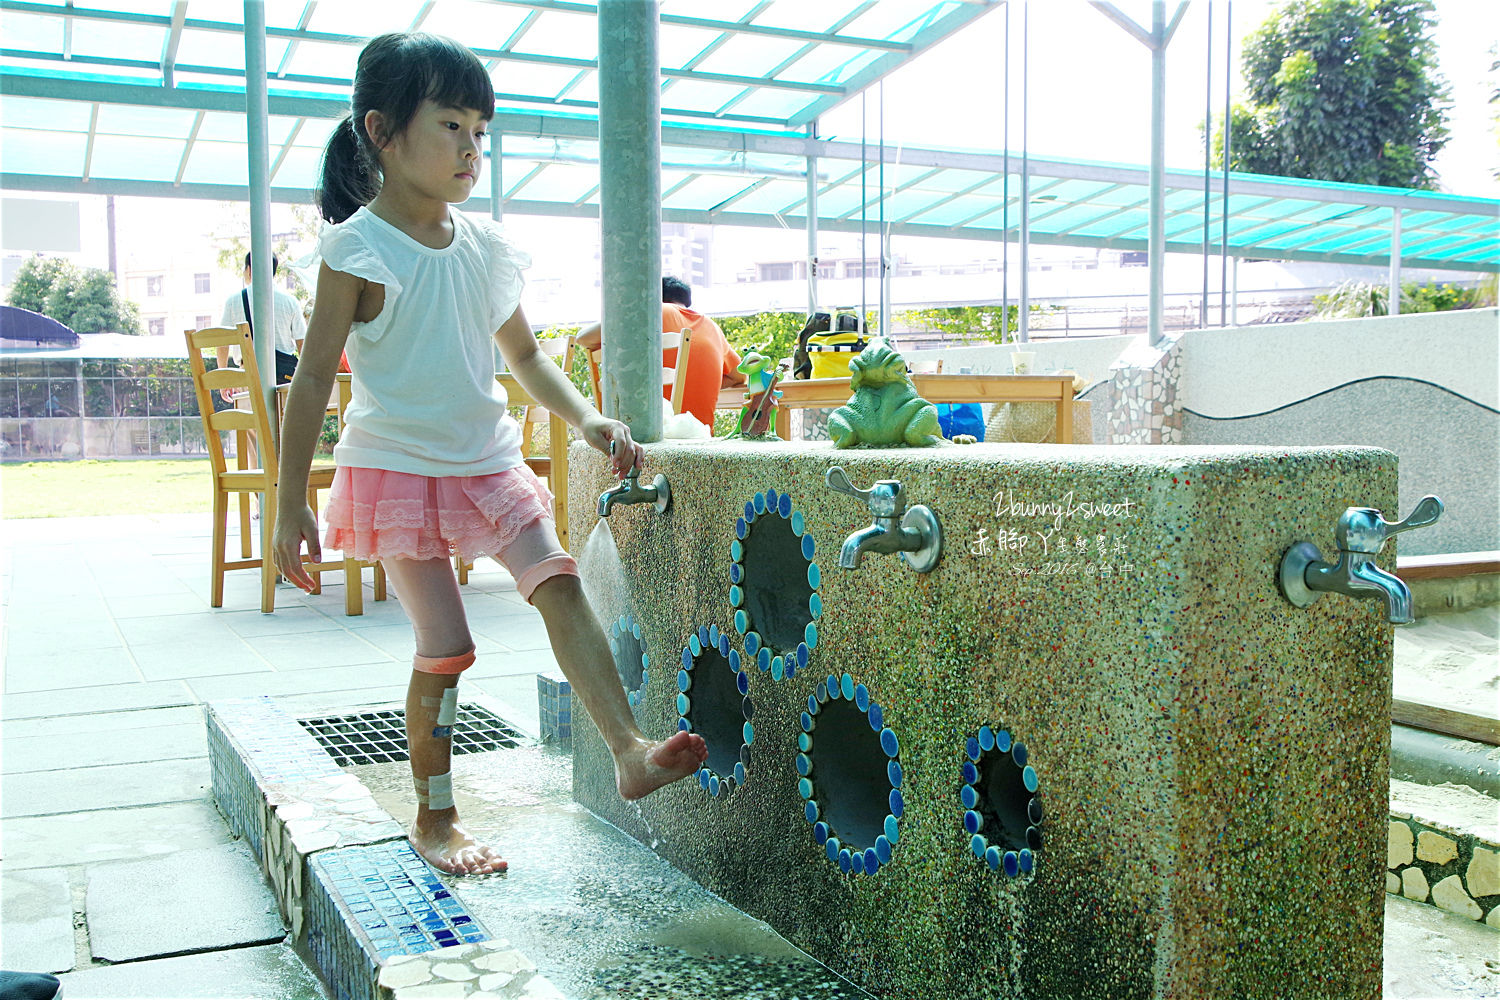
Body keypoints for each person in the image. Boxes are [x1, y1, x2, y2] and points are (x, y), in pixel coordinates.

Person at [273, 32, 707, 876]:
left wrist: (586, 419)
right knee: (447, 644)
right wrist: (290, 499)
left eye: (482, 130)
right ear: (383, 133)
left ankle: (627, 752)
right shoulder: (357, 250)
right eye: (452, 126)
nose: (473, 148)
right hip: (395, 469)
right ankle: (435, 822)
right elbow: (315, 377)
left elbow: (529, 357)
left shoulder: (484, 247)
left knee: (559, 580)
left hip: (484, 461)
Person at [577, 276, 745, 428]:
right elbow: (738, 376)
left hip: (649, 436)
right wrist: (703, 381)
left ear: (655, 297)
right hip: (701, 436)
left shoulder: (651, 313)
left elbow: (583, 338)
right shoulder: (712, 327)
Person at [216, 251, 307, 403]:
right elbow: (303, 345)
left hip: (247, 378)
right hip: (284, 380)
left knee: (249, 424)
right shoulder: (290, 302)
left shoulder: (234, 301)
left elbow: (222, 343)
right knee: (283, 425)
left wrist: (224, 381)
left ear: (250, 270)